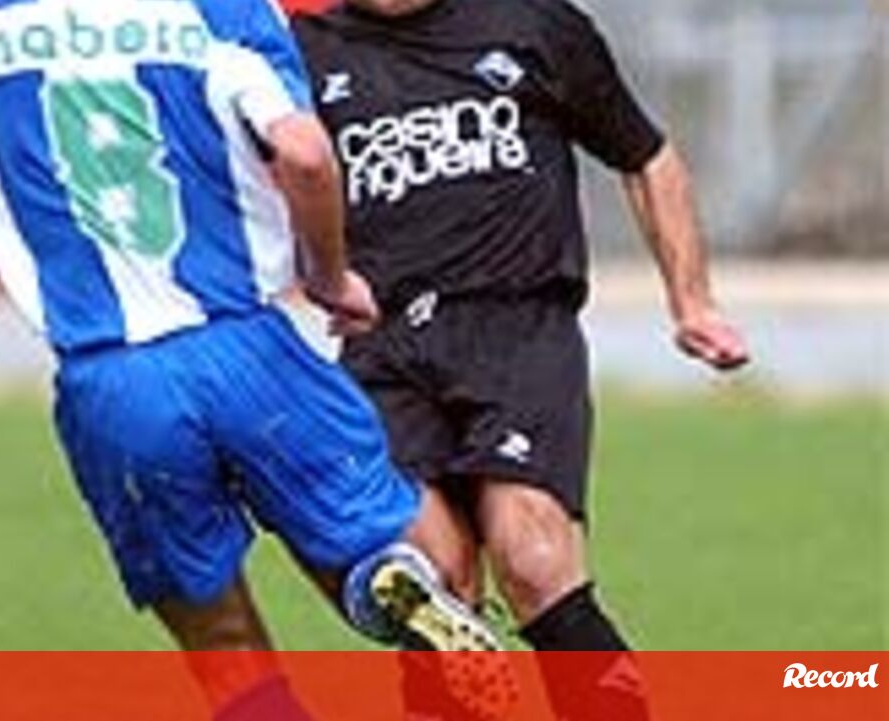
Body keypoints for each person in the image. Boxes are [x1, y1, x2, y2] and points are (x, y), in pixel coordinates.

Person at [0, 0, 501, 718]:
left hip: (114, 379)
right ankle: (387, 583)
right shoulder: (228, 10)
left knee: (223, 647)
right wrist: (329, 277)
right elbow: (304, 154)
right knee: (380, 543)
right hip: (250, 348)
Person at [290, 0, 751, 719]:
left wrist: (692, 302)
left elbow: (646, 157)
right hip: (383, 350)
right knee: (429, 587)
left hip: (516, 330)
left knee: (533, 557)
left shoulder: (532, 23)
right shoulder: (303, 51)